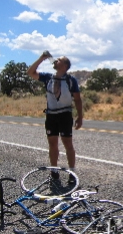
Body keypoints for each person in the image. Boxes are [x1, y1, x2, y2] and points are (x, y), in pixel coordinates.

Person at [27, 52, 83, 184]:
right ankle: (54, 171)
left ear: (64, 65)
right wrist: (41, 58)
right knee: (52, 144)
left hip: (65, 115)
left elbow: (78, 100)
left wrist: (80, 117)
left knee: (68, 144)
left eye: (58, 60)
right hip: (51, 115)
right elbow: (30, 72)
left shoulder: (71, 80)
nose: (55, 61)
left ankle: (72, 172)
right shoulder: (48, 77)